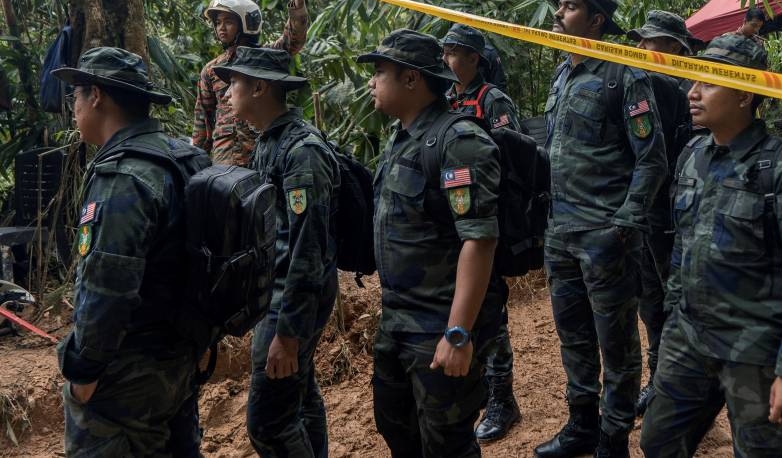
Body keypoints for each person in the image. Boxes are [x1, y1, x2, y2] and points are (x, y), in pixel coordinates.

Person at [640, 33, 782, 458]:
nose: (692, 93)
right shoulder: (693, 155)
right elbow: (682, 246)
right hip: (689, 338)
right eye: (694, 81)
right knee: (658, 442)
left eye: (708, 83)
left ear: (745, 95)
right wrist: (673, 319)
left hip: (754, 350)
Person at [54, 47, 211, 456]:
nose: (73, 107)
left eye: (75, 96)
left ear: (96, 96)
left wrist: (85, 371)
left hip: (129, 373)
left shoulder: (122, 176)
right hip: (181, 357)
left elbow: (107, 287)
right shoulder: (187, 159)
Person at [537, 0, 667, 458]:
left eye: (569, 7)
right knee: (573, 337)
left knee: (617, 344)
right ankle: (582, 426)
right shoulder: (562, 75)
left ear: (595, 21)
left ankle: (613, 438)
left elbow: (652, 159)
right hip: (561, 234)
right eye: (559, 6)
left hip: (605, 236)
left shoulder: (623, 75)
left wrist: (623, 225)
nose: (558, 14)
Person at [358, 29, 504, 457]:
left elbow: (480, 241)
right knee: (397, 430)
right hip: (397, 319)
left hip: (438, 323)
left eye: (380, 71)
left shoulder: (459, 142)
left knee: (446, 444)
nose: (372, 81)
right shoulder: (402, 138)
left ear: (411, 79)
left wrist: (457, 333)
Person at [215, 47, 340, 457]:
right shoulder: (270, 142)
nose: (227, 92)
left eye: (234, 83)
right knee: (299, 398)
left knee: (268, 424)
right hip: (280, 295)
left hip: (291, 300)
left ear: (259, 88)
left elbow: (307, 247)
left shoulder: (301, 150)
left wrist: (287, 333)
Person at [440, 23, 523, 443]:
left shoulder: (492, 99)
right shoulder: (446, 99)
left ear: (474, 58)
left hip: (486, 218)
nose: (447, 60)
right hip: (454, 221)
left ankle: (502, 398)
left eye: (454, 53)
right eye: (445, 52)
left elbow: (514, 154)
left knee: (490, 309)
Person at [625, 10, 698, 416]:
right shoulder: (639, 86)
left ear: (674, 47)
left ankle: (682, 386)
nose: (639, 47)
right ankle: (658, 377)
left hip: (680, 215)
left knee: (679, 299)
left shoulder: (694, 91)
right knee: (649, 298)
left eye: (648, 41)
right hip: (647, 212)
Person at [193, 0, 310, 166]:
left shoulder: (264, 59)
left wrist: (298, 2)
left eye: (228, 21)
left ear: (246, 23)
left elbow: (292, 40)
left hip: (261, 154)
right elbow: (203, 120)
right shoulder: (211, 69)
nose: (221, 27)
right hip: (224, 160)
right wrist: (195, 163)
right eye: (218, 22)